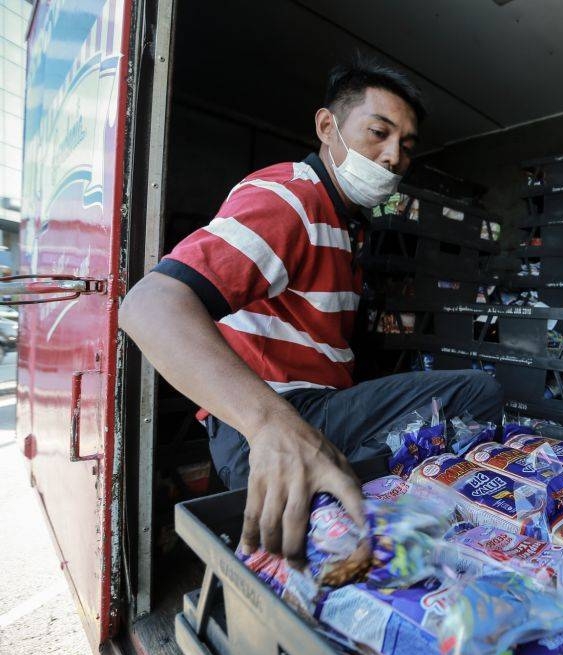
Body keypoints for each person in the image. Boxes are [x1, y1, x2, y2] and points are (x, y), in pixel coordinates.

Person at [119, 56, 504, 573]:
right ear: (328, 127)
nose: (392, 157)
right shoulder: (290, 199)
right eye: (378, 133)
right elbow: (149, 305)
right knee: (480, 392)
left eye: (405, 147)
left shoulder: (345, 226)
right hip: (274, 417)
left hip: (313, 408)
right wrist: (271, 425)